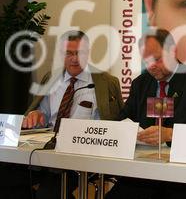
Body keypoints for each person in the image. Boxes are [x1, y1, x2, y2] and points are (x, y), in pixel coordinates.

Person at [106, 28, 186, 198]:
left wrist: (170, 134)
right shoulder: (140, 84)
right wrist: (131, 133)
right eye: (146, 60)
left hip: (185, 176)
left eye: (157, 59)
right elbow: (123, 120)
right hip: (144, 172)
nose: (151, 66)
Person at [22, 30, 123, 199]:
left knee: (47, 194)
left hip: (81, 155)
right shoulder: (51, 78)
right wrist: (37, 114)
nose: (75, 59)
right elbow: (44, 114)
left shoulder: (107, 83)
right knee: (8, 179)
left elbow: (117, 123)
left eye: (80, 53)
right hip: (46, 151)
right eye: (69, 53)